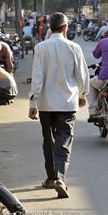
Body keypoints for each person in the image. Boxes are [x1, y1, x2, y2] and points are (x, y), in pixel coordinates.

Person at [28, 12, 89, 199]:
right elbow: (82, 74)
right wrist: (82, 94)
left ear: (50, 28)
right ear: (65, 28)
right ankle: (60, 178)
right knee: (64, 141)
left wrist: (33, 102)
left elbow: (37, 77)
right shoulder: (74, 47)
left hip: (46, 104)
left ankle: (51, 178)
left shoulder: (40, 48)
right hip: (67, 103)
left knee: (48, 140)